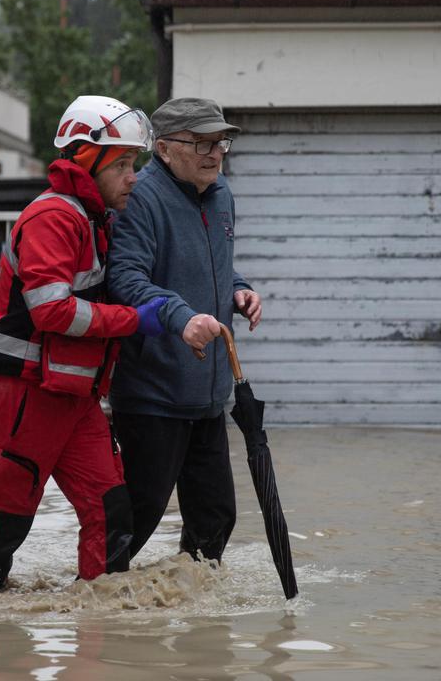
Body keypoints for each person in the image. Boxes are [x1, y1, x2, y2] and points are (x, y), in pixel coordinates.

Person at [0, 95, 174, 591]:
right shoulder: (54, 218)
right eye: (123, 164)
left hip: (70, 396)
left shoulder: (91, 217)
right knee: (10, 518)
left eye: (134, 164)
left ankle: (100, 633)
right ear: (86, 159)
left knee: (112, 512)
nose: (133, 177)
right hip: (22, 392)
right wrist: (135, 320)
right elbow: (51, 311)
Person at [107, 97, 262, 563]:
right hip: (153, 393)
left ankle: (198, 620)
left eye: (221, 142)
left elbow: (213, 268)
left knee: (216, 518)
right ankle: (93, 613)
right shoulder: (141, 197)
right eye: (200, 143)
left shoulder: (221, 194)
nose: (214, 153)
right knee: (137, 518)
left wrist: (239, 289)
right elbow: (125, 279)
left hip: (209, 394)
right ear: (165, 148)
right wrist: (180, 316)